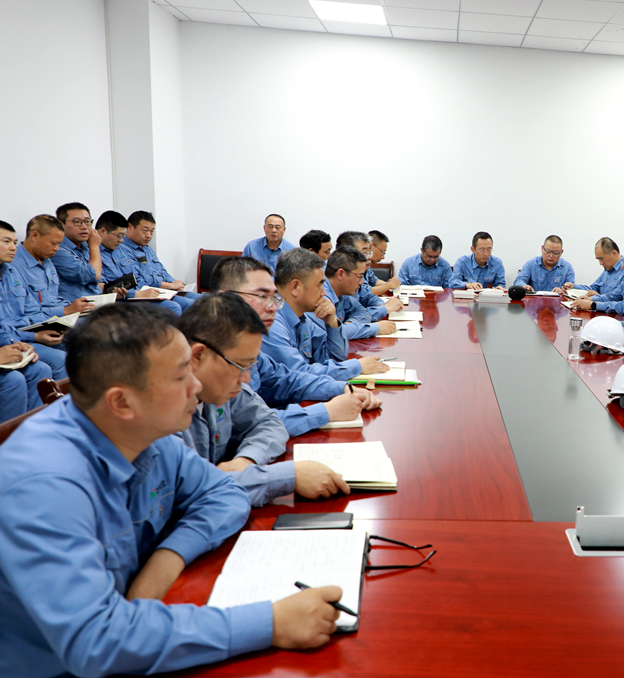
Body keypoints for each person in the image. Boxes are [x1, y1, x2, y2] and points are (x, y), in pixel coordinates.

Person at [0, 302, 343, 678]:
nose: (196, 385)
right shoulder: (45, 485)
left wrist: (167, 559)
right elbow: (97, 642)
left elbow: (223, 494)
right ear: (122, 401)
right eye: (181, 376)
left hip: (139, 626)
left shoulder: (144, 433)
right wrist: (270, 623)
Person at [177, 293, 353, 506]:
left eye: (250, 366)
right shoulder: (164, 413)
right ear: (198, 355)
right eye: (240, 366)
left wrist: (247, 460)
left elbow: (269, 422)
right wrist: (287, 477)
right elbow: (193, 492)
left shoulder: (221, 385)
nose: (246, 378)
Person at [209, 256, 381, 436]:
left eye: (273, 297)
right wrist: (327, 411)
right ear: (225, 299)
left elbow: (288, 379)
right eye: (262, 296)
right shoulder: (210, 354)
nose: (272, 307)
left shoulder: (250, 347)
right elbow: (251, 423)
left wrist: (342, 388)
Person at [262, 248, 388, 382]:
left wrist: (332, 324)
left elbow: (335, 357)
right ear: (295, 287)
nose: (323, 293)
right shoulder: (272, 323)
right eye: (319, 285)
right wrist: (356, 366)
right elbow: (299, 374)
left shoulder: (303, 318)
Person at [0, 220, 67, 381]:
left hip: (24, 333)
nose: (13, 247)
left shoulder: (10, 271)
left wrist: (56, 325)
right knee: (52, 363)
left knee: (80, 340)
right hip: (15, 337)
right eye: (7, 241)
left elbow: (32, 309)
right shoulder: (17, 265)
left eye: (14, 242)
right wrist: (32, 337)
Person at [97, 210, 181, 314]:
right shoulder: (94, 253)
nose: (121, 240)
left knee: (190, 301)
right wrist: (138, 294)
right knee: (173, 307)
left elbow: (138, 277)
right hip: (122, 300)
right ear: (103, 232)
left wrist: (174, 284)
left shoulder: (120, 249)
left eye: (123, 236)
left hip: (138, 294)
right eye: (119, 236)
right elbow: (104, 289)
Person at [119, 210, 199, 310]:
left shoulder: (148, 249)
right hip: (148, 292)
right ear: (130, 227)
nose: (149, 235)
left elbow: (162, 270)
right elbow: (141, 281)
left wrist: (176, 284)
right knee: (187, 304)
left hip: (165, 289)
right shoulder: (122, 250)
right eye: (145, 230)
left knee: (204, 300)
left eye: (152, 231)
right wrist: (171, 285)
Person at [325, 246, 396, 340]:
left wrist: (349, 326)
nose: (361, 282)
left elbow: (363, 313)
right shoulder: (322, 295)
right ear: (341, 274)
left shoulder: (342, 293)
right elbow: (333, 334)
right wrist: (375, 328)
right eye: (359, 276)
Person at [569, 243, 624, 317]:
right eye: (623, 263)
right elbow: (612, 296)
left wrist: (593, 305)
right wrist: (590, 299)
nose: (623, 267)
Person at [336, 231, 402, 318]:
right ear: (346, 254)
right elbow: (352, 316)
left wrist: (383, 305)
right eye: (364, 252)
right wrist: (385, 308)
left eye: (369, 252)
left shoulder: (359, 271)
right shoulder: (335, 277)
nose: (369, 257)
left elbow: (366, 297)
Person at [51, 202, 102, 301]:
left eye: (87, 221)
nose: (84, 227)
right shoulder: (57, 249)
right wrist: (95, 246)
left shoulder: (85, 245)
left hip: (96, 301)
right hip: (75, 305)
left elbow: (100, 279)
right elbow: (94, 275)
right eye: (77, 222)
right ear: (60, 225)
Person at [367, 229, 400, 294]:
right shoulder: (357, 264)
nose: (383, 257)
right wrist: (388, 285)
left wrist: (391, 284)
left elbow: (374, 280)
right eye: (382, 252)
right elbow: (364, 293)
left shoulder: (367, 265)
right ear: (371, 246)